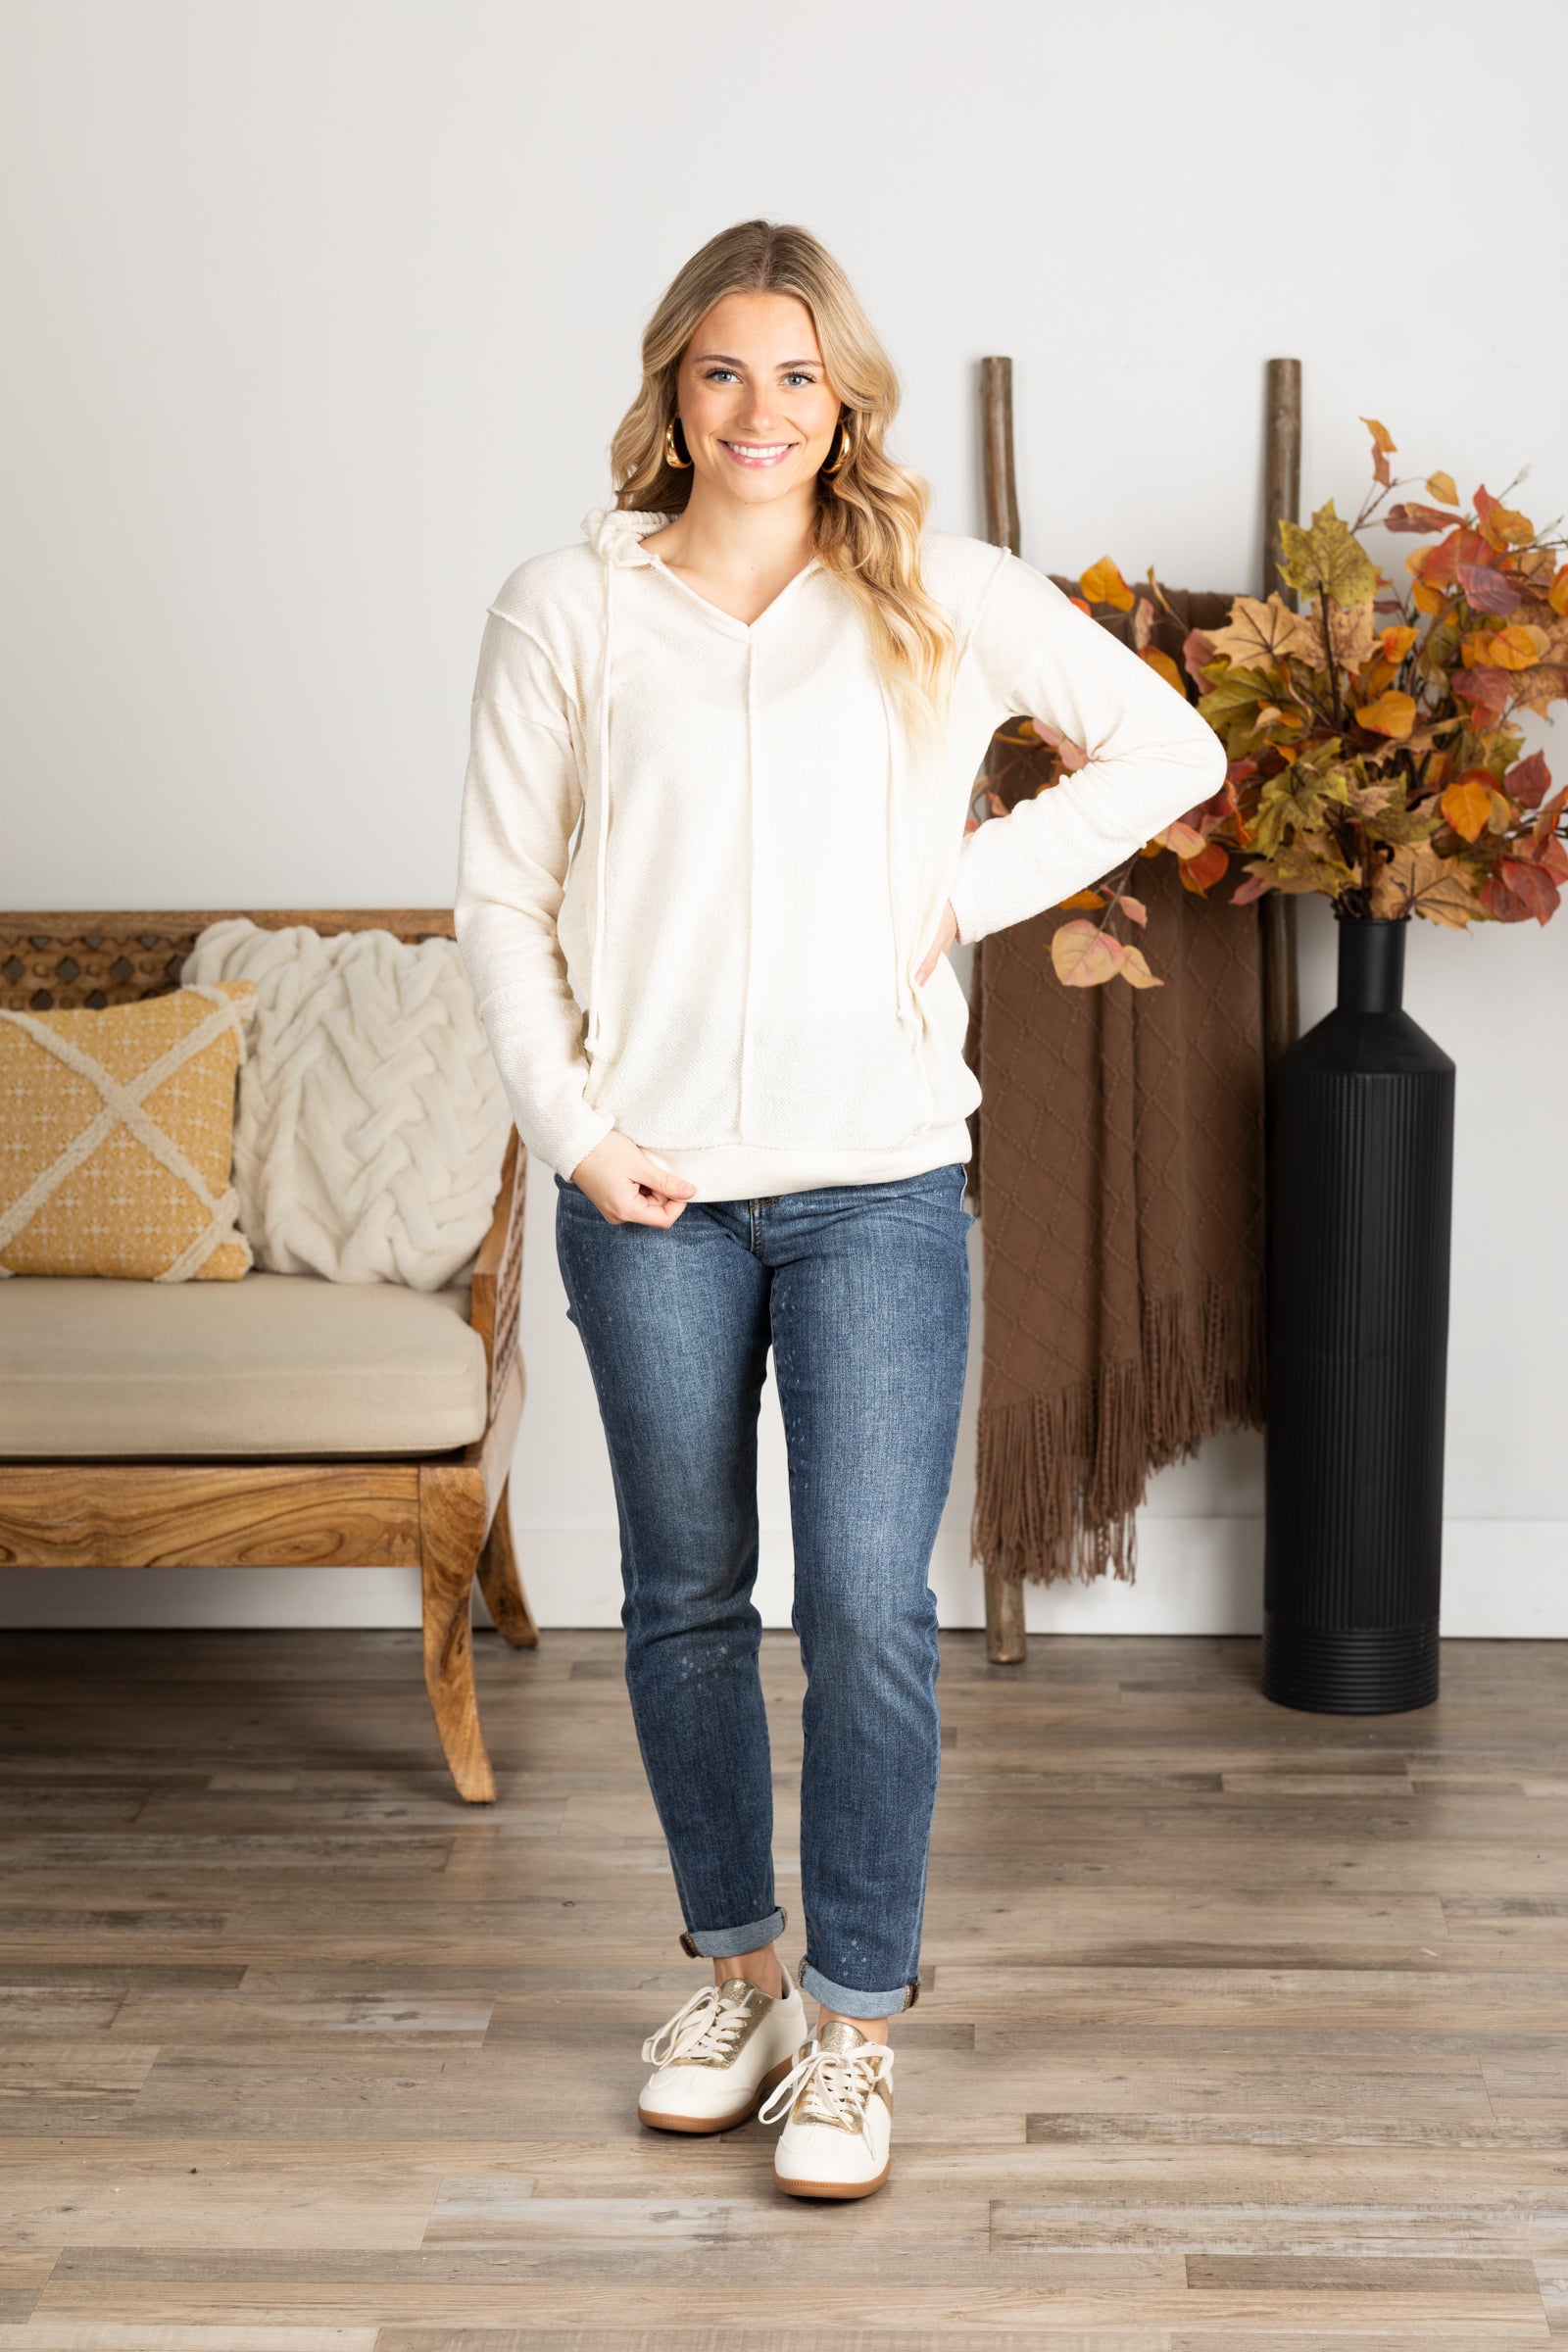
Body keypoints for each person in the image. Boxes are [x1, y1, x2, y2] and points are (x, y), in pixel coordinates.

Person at [454, 219, 1225, 2200]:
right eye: (723, 369)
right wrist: (573, 1132)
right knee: (684, 1600)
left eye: (797, 374)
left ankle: (855, 2022)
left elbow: (1170, 745)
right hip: (649, 1195)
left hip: (876, 1183)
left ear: (845, 397)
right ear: (671, 386)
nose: (760, 409)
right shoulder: (569, 605)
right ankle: (735, 1978)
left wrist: (959, 891)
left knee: (868, 1603)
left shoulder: (938, 595)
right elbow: (500, 900)